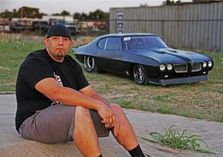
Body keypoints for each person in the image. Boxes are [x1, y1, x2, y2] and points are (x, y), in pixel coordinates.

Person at [15, 24, 146, 157]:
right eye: (55, 38)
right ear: (46, 42)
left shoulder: (71, 64)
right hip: (32, 121)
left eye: (65, 39)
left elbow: (89, 94)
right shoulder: (35, 61)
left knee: (115, 108)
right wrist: (98, 105)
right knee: (80, 110)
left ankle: (139, 155)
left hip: (67, 120)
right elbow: (56, 93)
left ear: (70, 43)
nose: (60, 42)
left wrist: (107, 109)